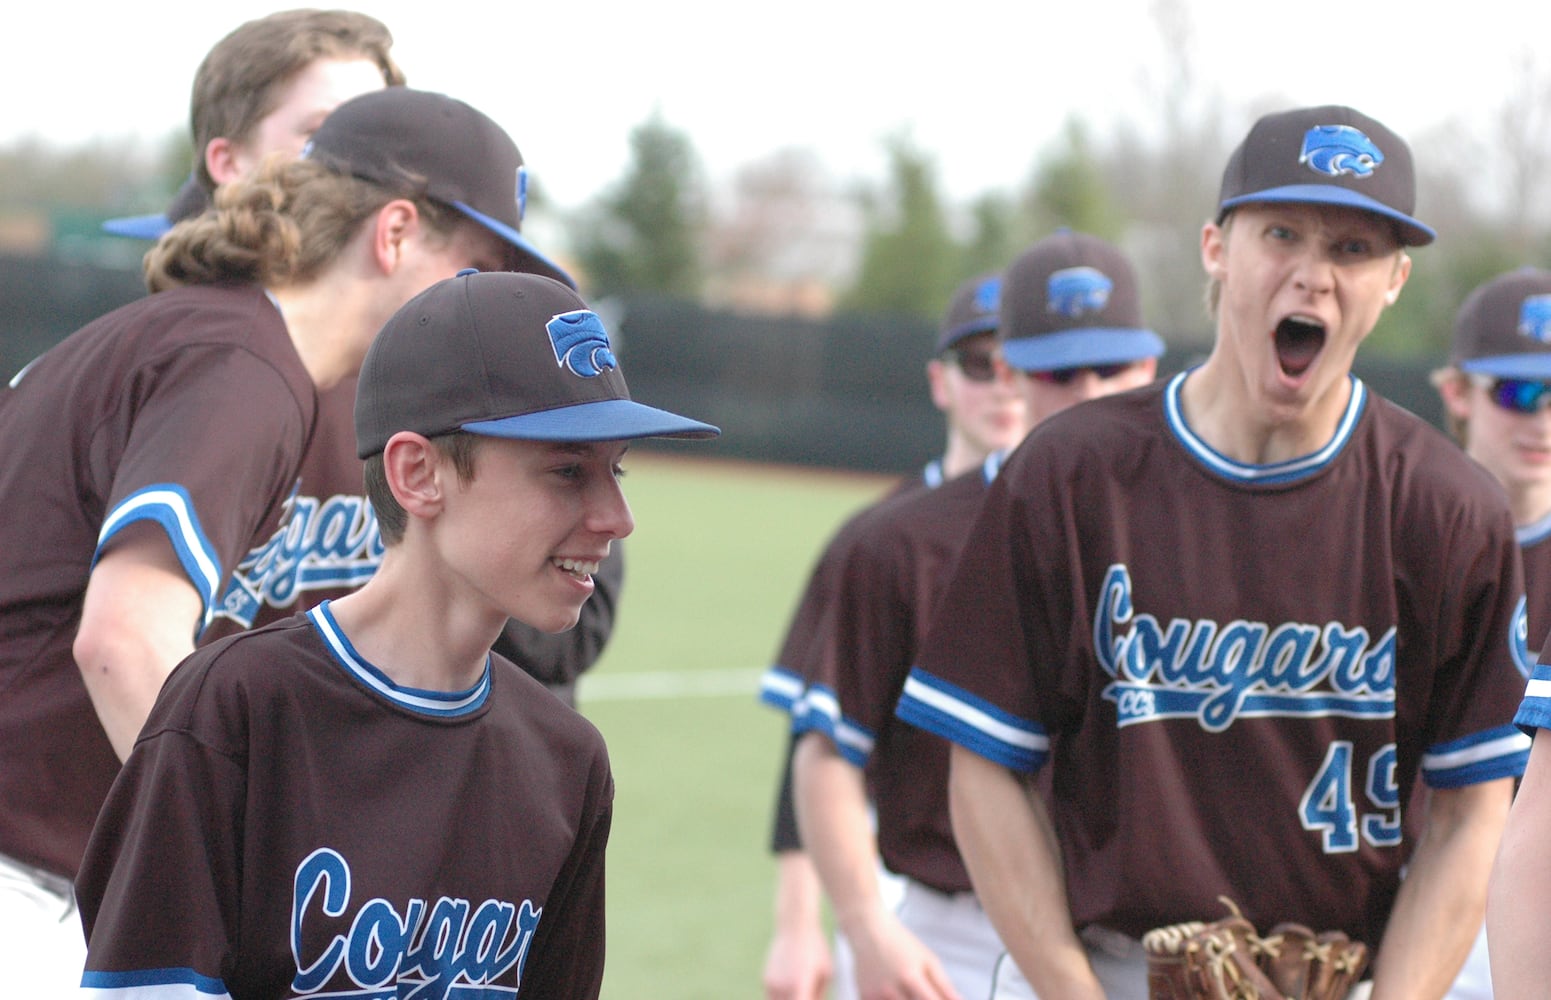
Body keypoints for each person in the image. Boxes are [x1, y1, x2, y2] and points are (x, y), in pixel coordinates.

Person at [895, 105, 1532, 999]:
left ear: (1393, 279)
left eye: (1352, 250)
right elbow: (984, 763)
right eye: (1282, 234)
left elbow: (1470, 812)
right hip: (1104, 969)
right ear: (1214, 247)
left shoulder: (1444, 508)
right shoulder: (1071, 474)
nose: (1312, 276)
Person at [0, 87, 558, 992]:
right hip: (19, 890)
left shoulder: (234, 345)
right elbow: (123, 638)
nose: (480, 308)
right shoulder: (242, 369)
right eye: (475, 270)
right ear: (394, 233)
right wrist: (261, 872)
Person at [74, 268, 719, 997]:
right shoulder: (238, 707)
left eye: (617, 473)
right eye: (567, 471)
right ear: (417, 474)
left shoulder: (566, 763)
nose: (615, 518)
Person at [794, 230, 1161, 1000]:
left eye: (1112, 367)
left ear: (1151, 367)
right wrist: (863, 921)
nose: (1091, 393)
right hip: (950, 941)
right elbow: (829, 752)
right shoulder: (898, 541)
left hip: (1135, 939)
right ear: (1009, 372)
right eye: (1061, 370)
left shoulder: (1201, 535)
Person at [760, 273, 1026, 1000]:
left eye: (1018, 364)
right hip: (911, 887)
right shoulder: (877, 539)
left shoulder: (1085, 530)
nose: (1001, 387)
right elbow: (815, 737)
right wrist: (798, 920)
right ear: (940, 382)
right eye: (979, 365)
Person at [103, 8, 406, 239]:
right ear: (228, 163)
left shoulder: (420, 305)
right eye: (322, 132)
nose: (367, 160)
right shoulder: (199, 318)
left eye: (378, 133)